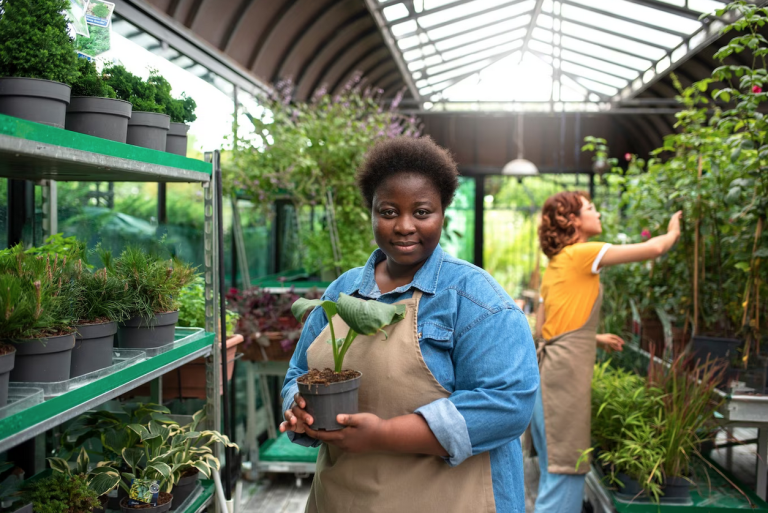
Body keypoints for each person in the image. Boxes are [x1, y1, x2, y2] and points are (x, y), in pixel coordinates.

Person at [279, 136, 540, 513]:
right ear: (370, 212)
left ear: (443, 214)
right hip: (342, 500)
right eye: (388, 211)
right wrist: (297, 408)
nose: (404, 226)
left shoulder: (475, 300)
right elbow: (297, 373)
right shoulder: (341, 291)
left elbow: (507, 403)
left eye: (421, 212)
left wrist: (384, 435)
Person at [531, 190, 681, 512]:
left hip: (547, 380)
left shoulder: (556, 263)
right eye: (591, 208)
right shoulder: (582, 254)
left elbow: (545, 328)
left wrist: (593, 337)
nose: (598, 213)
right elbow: (654, 248)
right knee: (567, 471)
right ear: (573, 220)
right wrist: (672, 231)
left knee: (553, 470)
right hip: (563, 382)